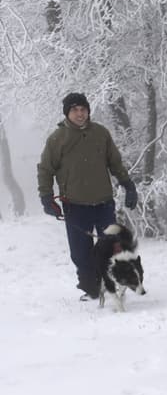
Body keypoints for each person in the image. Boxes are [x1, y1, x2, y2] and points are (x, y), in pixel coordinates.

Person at [37, 92, 138, 300]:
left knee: (110, 247)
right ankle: (91, 289)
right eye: (75, 110)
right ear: (67, 113)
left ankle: (113, 284)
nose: (80, 114)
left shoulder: (101, 133)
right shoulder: (57, 139)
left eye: (83, 109)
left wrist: (128, 185)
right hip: (75, 206)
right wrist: (46, 197)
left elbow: (115, 162)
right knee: (81, 253)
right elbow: (45, 169)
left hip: (103, 204)